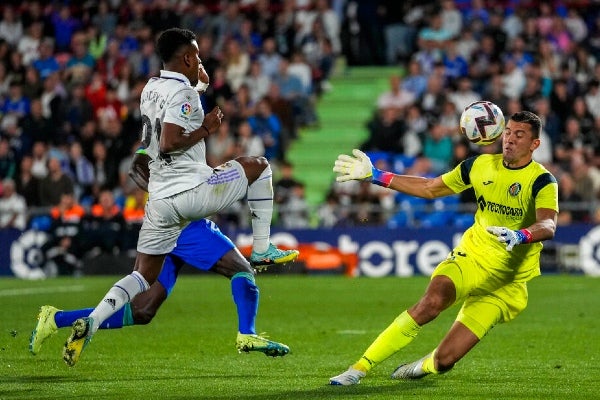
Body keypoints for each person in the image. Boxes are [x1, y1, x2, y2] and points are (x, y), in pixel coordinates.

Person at [62, 28, 298, 366]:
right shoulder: (184, 94)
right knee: (259, 167)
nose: (200, 61)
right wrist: (207, 129)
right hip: (192, 192)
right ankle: (262, 248)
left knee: (142, 277)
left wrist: (199, 87)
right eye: (197, 56)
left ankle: (93, 321)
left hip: (159, 202)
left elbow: (160, 128)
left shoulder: (151, 88)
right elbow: (172, 139)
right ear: (187, 57)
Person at [329, 110, 558, 385]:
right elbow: (430, 188)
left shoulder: (543, 181)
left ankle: (421, 366)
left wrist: (520, 235)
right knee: (432, 301)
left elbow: (548, 225)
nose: (509, 139)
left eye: (519, 135)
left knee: (445, 360)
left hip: (506, 284)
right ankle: (359, 368)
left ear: (535, 144)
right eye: (508, 131)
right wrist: (376, 175)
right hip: (471, 258)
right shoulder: (478, 166)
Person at [30, 149, 290, 358]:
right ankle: (247, 333)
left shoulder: (182, 122)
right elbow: (136, 166)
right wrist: (164, 193)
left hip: (173, 221)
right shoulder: (169, 125)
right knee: (241, 269)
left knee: (143, 310)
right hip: (183, 224)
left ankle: (55, 319)